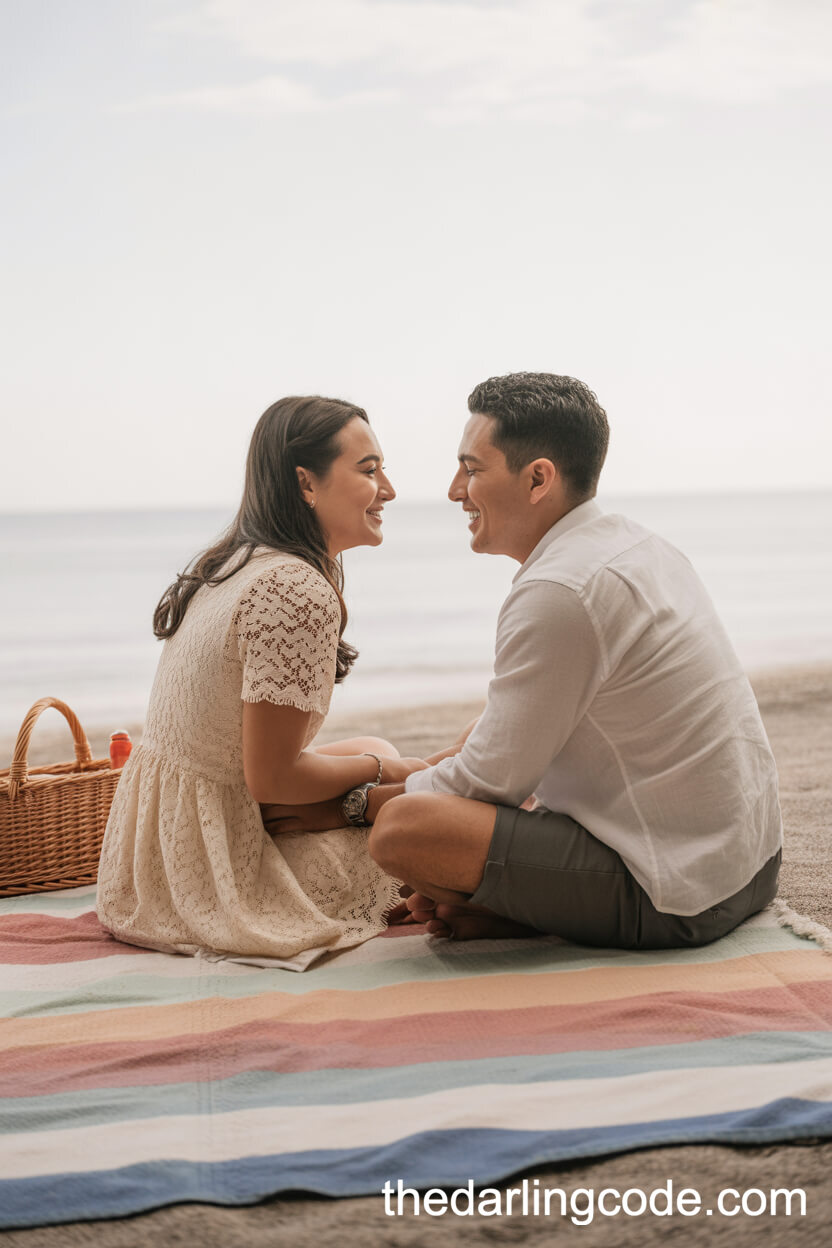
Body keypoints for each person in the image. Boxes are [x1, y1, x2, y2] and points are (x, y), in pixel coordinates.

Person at [281, 373, 783, 949]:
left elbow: (487, 782)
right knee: (484, 730)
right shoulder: (636, 544)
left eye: (472, 469)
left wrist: (355, 805)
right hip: (747, 864)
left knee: (403, 831)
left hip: (679, 893)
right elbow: (499, 753)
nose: (453, 490)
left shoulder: (560, 590)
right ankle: (518, 902)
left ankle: (523, 905)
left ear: (538, 478)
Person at [96, 395, 427, 969]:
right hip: (207, 871)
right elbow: (272, 777)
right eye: (369, 470)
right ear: (307, 483)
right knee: (413, 831)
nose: (390, 489)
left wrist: (377, 767)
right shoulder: (293, 590)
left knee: (377, 747)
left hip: (144, 857)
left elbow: (261, 769)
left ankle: (360, 794)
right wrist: (387, 775)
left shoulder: (237, 561)